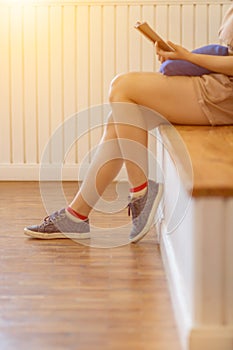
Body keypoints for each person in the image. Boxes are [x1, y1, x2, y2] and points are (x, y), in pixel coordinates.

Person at [24, 5, 233, 243]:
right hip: (217, 84)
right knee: (119, 120)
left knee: (122, 86)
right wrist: (183, 58)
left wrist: (189, 58)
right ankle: (77, 216)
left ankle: (141, 192)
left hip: (224, 96)